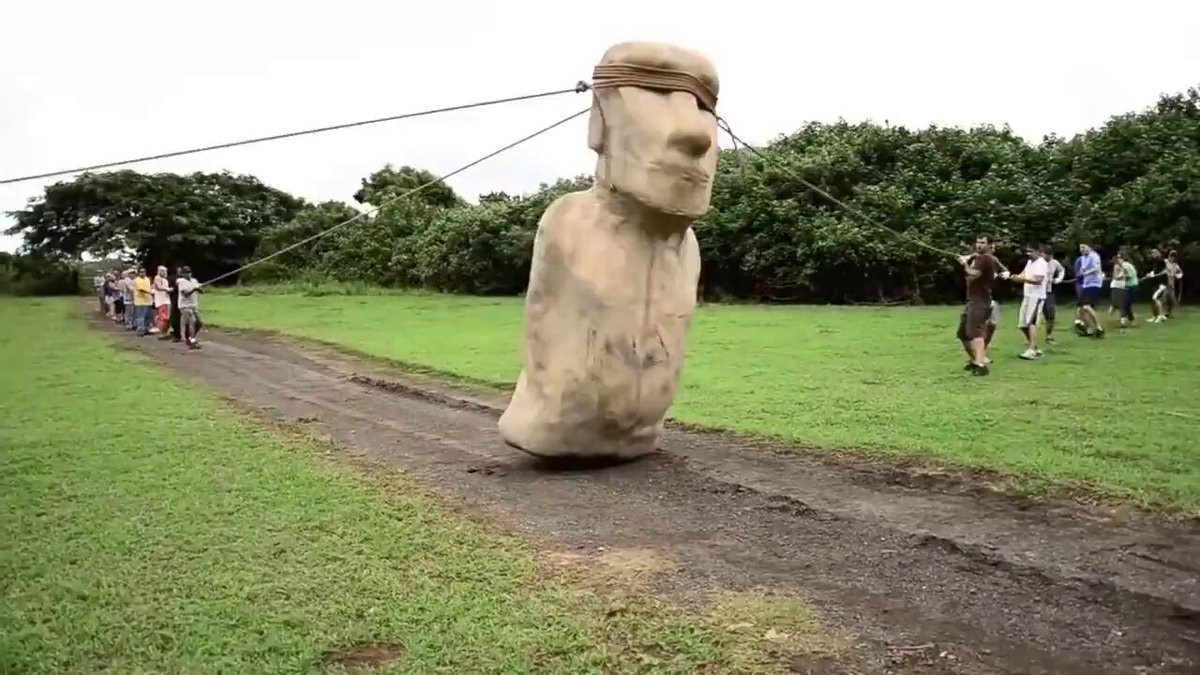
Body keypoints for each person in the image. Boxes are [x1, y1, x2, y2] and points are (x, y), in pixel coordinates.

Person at [956, 235, 1000, 376]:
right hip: (972, 300)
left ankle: (981, 365)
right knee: (962, 333)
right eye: (977, 242)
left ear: (989, 245)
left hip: (981, 300)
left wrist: (964, 264)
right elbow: (975, 256)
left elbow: (974, 274)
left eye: (983, 242)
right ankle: (974, 360)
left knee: (976, 332)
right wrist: (968, 257)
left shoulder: (986, 259)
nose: (979, 245)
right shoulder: (979, 257)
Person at [1007, 244, 1048, 360]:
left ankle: (1032, 351)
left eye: (1031, 251)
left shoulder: (1041, 263)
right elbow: (1024, 273)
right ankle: (1034, 347)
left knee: (1031, 323)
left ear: (1038, 252)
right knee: (1022, 324)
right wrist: (1014, 277)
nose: (1028, 253)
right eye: (1028, 251)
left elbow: (1039, 280)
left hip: (1037, 297)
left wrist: (1022, 279)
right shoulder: (1030, 262)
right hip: (1027, 296)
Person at [1073, 243, 1104, 338]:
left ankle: (1099, 328)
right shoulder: (1083, 258)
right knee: (1080, 308)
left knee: (1086, 306)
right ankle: (1087, 328)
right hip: (1086, 284)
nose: (1081, 249)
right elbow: (1082, 270)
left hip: (1094, 283)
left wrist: (1085, 273)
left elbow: (1096, 268)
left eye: (1084, 247)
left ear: (1089, 247)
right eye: (1080, 248)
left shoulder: (1094, 256)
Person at [1041, 249, 1066, 344]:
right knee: (1033, 315)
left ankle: (1049, 336)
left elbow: (1062, 270)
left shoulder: (1054, 263)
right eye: (1044, 255)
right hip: (1037, 291)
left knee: (1051, 314)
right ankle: (1030, 336)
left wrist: (1058, 279)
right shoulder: (1038, 263)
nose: (1045, 257)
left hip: (1048, 291)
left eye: (1048, 255)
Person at [176, 266, 203, 349]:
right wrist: (194, 289)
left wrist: (199, 288)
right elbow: (185, 294)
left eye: (189, 272)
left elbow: (201, 291)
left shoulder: (194, 281)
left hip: (193, 305)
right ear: (183, 274)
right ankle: (192, 341)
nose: (188, 274)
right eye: (186, 273)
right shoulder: (181, 282)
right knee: (192, 322)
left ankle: (189, 337)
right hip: (185, 306)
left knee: (199, 323)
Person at [1114, 251, 1137, 327]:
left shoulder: (1125, 265)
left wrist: (1120, 277)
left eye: (1119, 258)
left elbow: (1129, 275)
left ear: (1123, 258)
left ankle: (1123, 322)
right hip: (1131, 286)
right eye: (1118, 258)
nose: (1118, 259)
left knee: (1123, 304)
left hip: (1131, 286)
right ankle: (1131, 320)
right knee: (1126, 305)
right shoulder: (1128, 264)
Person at [133, 268, 154, 336]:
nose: (142, 273)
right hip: (140, 301)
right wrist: (150, 292)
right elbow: (141, 289)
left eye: (144, 272)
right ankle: (140, 330)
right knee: (140, 317)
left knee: (147, 316)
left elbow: (149, 287)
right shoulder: (137, 280)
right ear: (138, 273)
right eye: (141, 272)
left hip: (148, 300)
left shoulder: (147, 279)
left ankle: (146, 329)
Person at [152, 266, 171, 334]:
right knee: (163, 316)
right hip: (161, 301)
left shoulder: (165, 280)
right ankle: (161, 329)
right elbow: (158, 287)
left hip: (166, 299)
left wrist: (169, 290)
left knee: (167, 316)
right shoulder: (157, 278)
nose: (165, 273)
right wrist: (167, 289)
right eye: (164, 271)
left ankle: (164, 329)